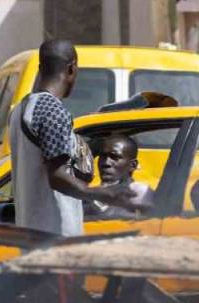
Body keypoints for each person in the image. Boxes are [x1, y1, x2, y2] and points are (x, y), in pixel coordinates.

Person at [10, 39, 134, 236]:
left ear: (41, 68)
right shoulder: (52, 110)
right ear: (71, 68)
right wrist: (102, 193)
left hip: (30, 231)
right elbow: (57, 177)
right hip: (55, 234)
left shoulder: (21, 109)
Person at [85, 134, 153, 219]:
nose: (105, 163)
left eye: (114, 157)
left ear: (133, 165)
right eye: (102, 156)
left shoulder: (139, 196)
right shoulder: (91, 195)